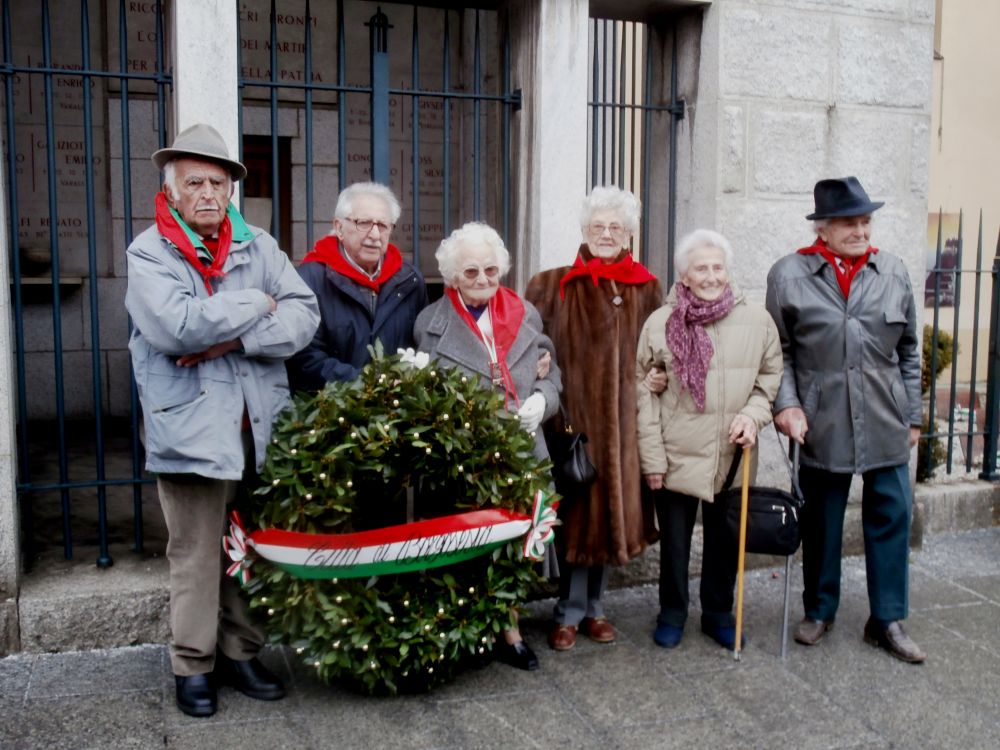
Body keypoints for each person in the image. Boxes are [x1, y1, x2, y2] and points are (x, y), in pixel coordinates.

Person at [125, 123, 320, 717]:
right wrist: (257, 303)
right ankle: (193, 664)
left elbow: (304, 315)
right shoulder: (148, 252)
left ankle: (241, 651)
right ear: (173, 190)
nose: (207, 193)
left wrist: (232, 339)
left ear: (230, 189)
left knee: (247, 547)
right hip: (189, 429)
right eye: (194, 182)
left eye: (217, 182)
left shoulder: (259, 246)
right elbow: (177, 327)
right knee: (196, 553)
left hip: (256, 428)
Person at [765, 176, 925, 663]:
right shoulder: (789, 275)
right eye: (849, 223)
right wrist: (787, 405)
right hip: (822, 415)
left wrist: (913, 415)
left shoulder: (893, 271)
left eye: (865, 221)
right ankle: (820, 609)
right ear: (825, 229)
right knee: (822, 520)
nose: (860, 231)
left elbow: (910, 351)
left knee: (892, 515)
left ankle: (888, 619)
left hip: (884, 412)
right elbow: (780, 353)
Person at [414, 221, 562, 671]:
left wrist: (543, 400)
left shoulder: (526, 313)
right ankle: (474, 628)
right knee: (472, 539)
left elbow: (552, 371)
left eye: (491, 271)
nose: (483, 281)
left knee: (516, 540)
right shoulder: (430, 324)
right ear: (453, 276)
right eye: (472, 272)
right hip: (469, 456)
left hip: (521, 449)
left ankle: (510, 627)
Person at [525, 185, 662, 651]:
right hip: (570, 426)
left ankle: (596, 610)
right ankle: (567, 611)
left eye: (616, 227)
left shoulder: (647, 287)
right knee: (575, 518)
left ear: (628, 235)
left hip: (624, 432)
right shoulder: (550, 285)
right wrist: (539, 360)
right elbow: (528, 343)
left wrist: (655, 378)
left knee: (610, 519)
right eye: (598, 226)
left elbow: (657, 352)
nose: (606, 234)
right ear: (584, 231)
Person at [635, 229, 782, 650]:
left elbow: (769, 379)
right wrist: (653, 461)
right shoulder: (661, 324)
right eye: (702, 268)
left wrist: (753, 416)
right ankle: (673, 613)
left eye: (718, 267)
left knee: (724, 540)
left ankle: (718, 613)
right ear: (684, 275)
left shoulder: (757, 320)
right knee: (675, 546)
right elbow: (642, 391)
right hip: (677, 450)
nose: (712, 275)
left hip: (730, 454)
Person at [286, 182, 428, 391]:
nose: (374, 235)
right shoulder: (308, 280)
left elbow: (421, 348)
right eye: (363, 223)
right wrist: (370, 385)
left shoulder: (410, 280)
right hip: (329, 412)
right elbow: (305, 360)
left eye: (382, 225)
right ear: (339, 227)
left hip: (398, 411)